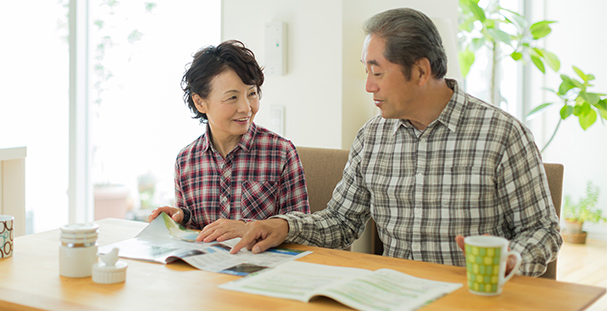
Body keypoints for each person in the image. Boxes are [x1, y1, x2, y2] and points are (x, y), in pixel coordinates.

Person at [230, 8, 562, 277]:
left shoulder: (501, 134)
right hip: (395, 296)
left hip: (472, 299)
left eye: (377, 72)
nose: (368, 87)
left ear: (420, 71)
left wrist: (513, 260)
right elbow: (341, 222)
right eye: (366, 72)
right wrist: (283, 226)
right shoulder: (372, 137)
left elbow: (542, 230)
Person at [148, 40, 310, 242]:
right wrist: (180, 219)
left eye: (251, 93)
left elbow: (302, 230)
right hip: (207, 270)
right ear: (200, 102)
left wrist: (247, 228)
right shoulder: (186, 160)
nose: (246, 107)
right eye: (232, 97)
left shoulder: (281, 152)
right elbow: (197, 233)